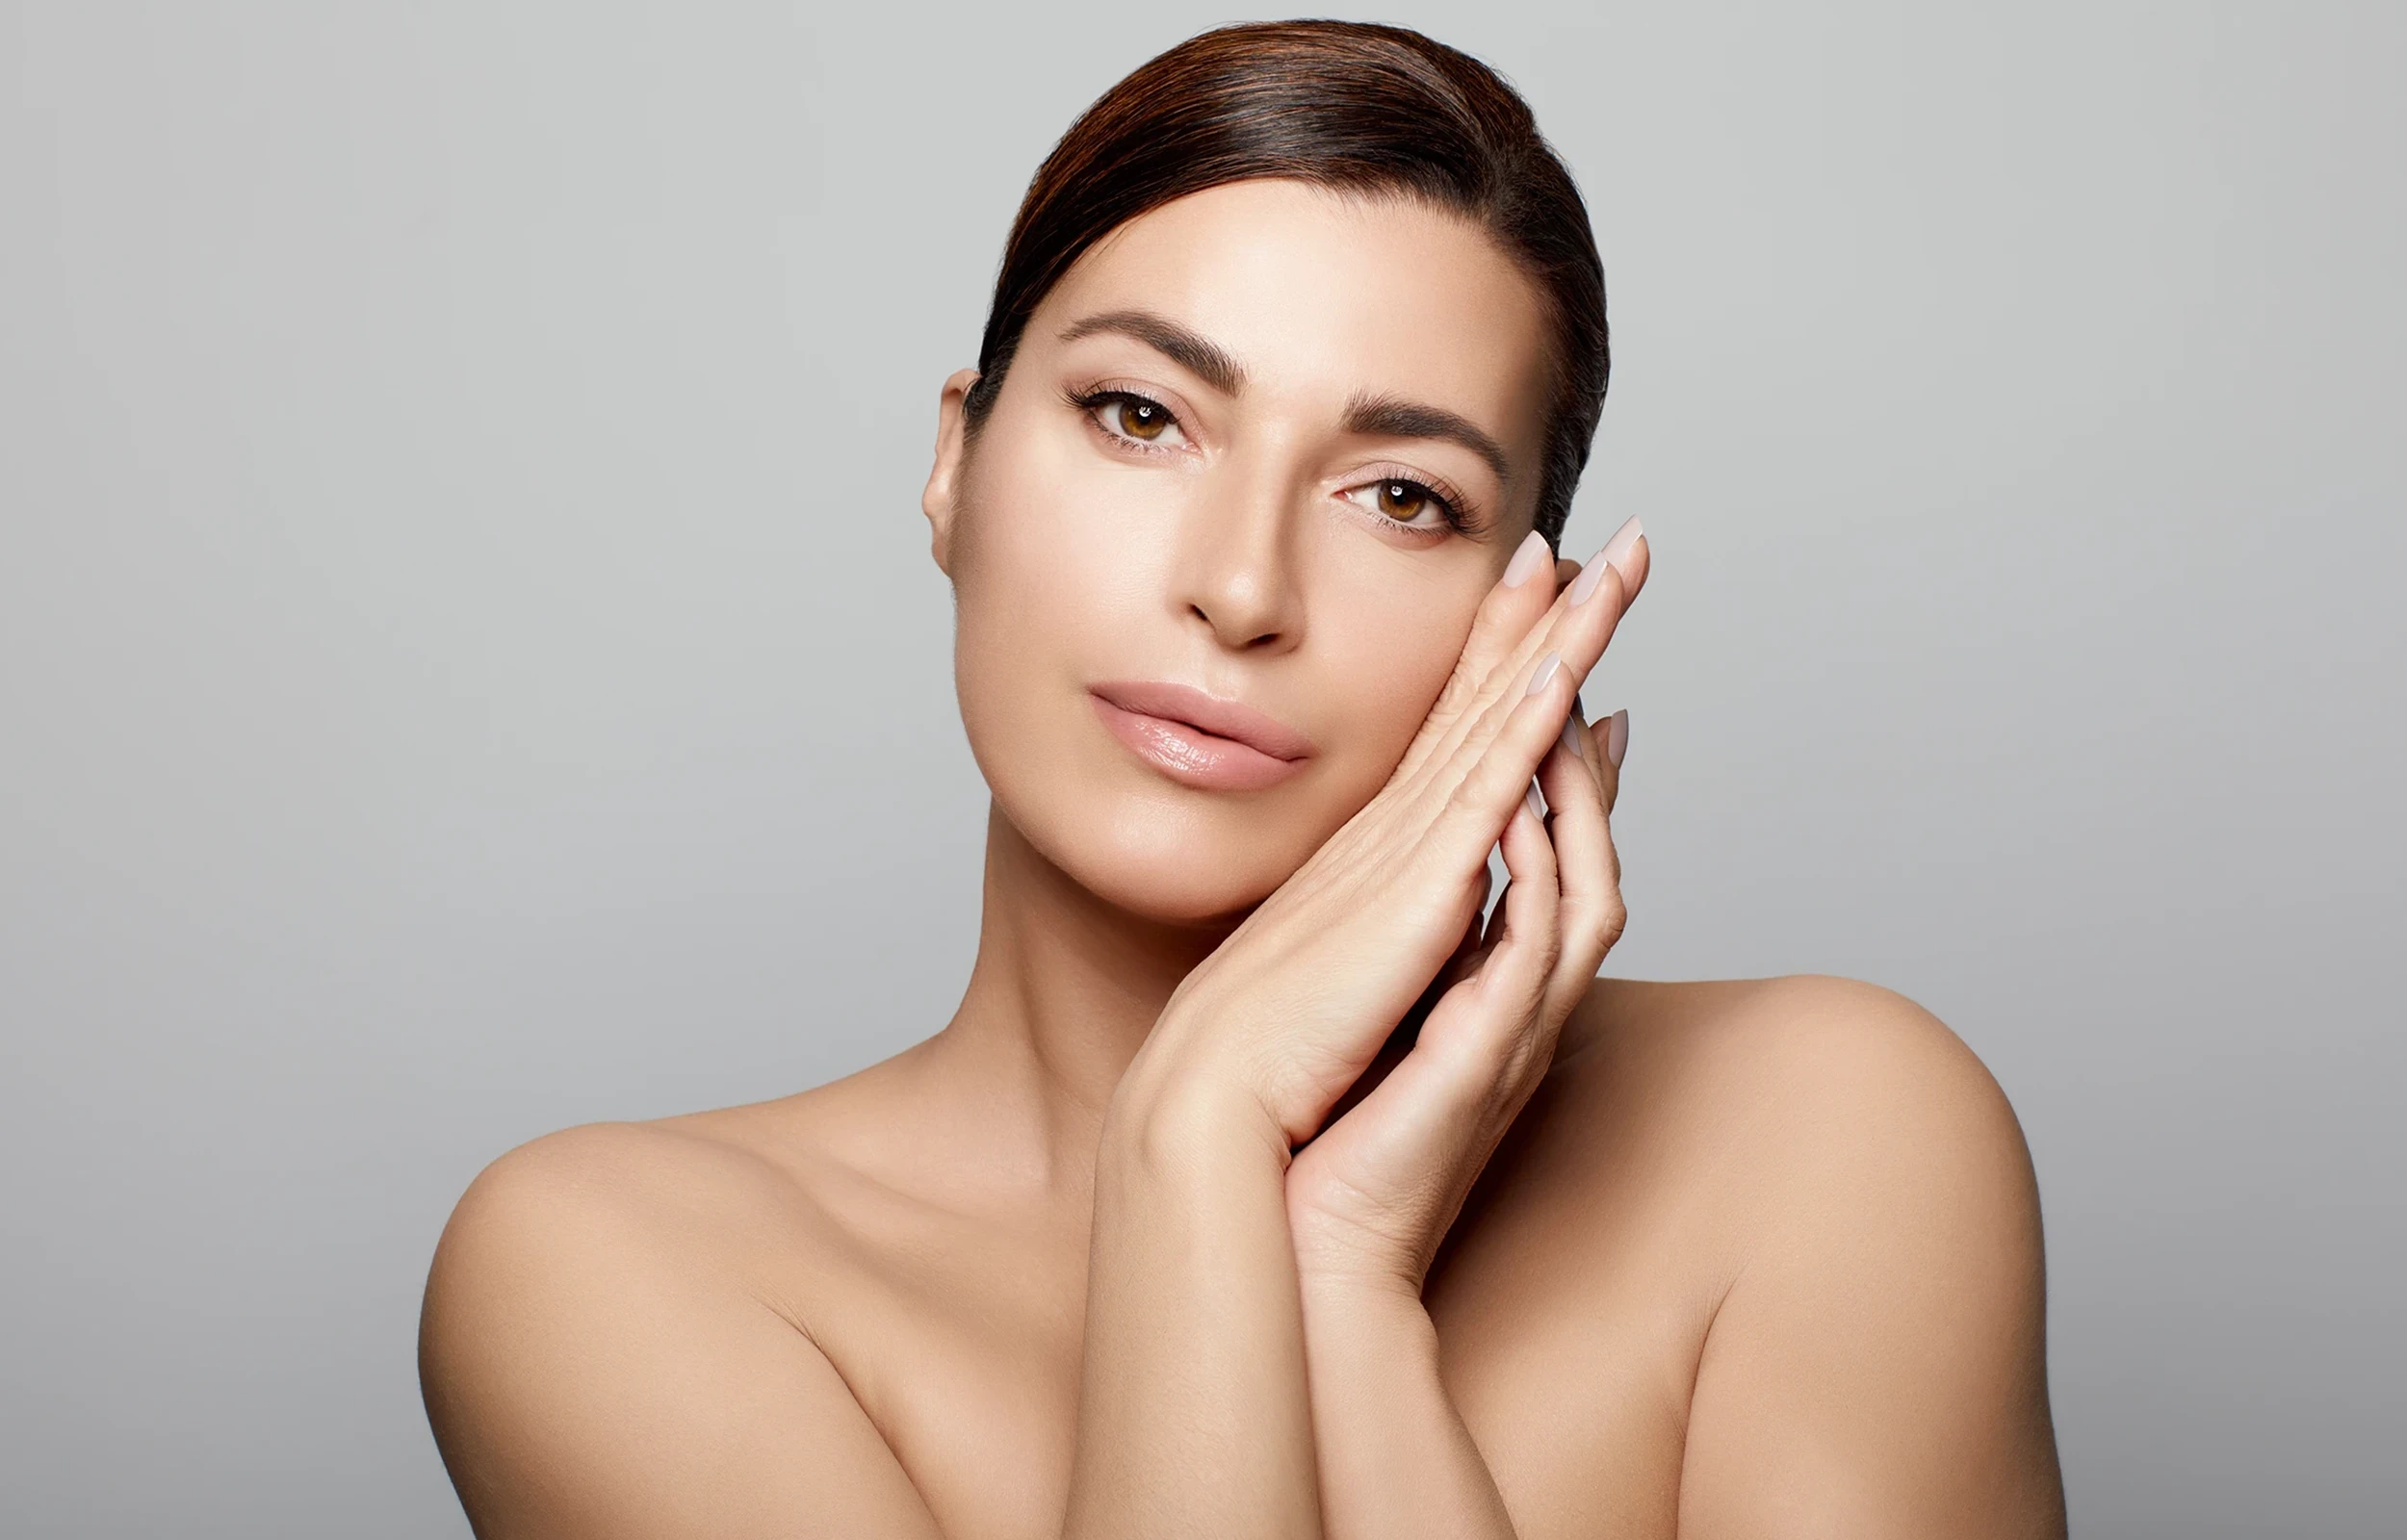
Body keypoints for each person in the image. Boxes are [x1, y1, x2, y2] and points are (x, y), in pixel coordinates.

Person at [418, 20, 2065, 1538]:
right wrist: (1198, 1147)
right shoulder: (614, 1272)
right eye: (1140, 415)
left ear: (1530, 617)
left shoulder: (1823, 1135)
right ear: (954, 466)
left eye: (1402, 497)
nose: (1241, 587)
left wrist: (1339, 1277)